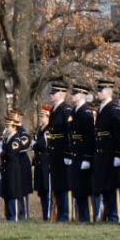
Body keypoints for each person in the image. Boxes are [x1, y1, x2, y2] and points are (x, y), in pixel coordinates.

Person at [94, 80, 120, 222]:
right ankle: (106, 213)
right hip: (101, 152)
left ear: (109, 91)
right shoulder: (101, 108)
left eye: (101, 90)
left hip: (110, 153)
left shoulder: (113, 109)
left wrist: (118, 154)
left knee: (110, 185)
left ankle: (113, 214)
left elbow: (118, 133)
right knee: (103, 185)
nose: (98, 93)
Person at [69, 85, 97, 223]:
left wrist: (87, 157)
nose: (72, 95)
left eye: (75, 93)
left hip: (83, 153)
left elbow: (89, 137)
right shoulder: (74, 111)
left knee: (84, 188)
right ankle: (81, 216)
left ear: (82, 94)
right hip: (75, 152)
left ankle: (87, 216)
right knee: (77, 187)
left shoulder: (86, 112)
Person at [47, 81, 73, 221]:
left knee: (64, 184)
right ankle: (59, 213)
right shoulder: (54, 109)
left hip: (63, 151)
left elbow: (69, 133)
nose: (51, 94)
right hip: (55, 151)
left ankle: (65, 214)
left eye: (54, 92)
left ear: (62, 93)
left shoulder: (66, 110)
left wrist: (68, 153)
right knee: (57, 183)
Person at [1, 110, 33, 221]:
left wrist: (4, 153)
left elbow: (19, 148)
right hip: (9, 166)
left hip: (20, 164)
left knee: (19, 190)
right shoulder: (8, 136)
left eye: (15, 117)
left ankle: (21, 214)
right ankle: (11, 215)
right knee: (11, 190)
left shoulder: (22, 133)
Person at [33, 104, 52, 221]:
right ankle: (45, 214)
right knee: (41, 190)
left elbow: (42, 144)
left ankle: (48, 214)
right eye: (40, 116)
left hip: (46, 162)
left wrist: (34, 145)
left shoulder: (49, 129)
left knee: (47, 189)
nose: (40, 118)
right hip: (39, 162)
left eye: (42, 116)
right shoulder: (40, 130)